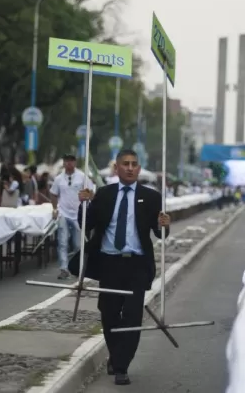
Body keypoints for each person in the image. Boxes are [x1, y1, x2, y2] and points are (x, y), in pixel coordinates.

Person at [73, 149, 170, 386]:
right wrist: (83, 205)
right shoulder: (104, 194)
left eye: (134, 164)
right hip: (109, 263)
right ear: (116, 168)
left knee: (133, 316)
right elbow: (87, 223)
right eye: (125, 164)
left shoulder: (152, 197)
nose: (129, 168)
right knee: (109, 314)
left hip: (137, 264)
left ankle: (121, 366)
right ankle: (116, 354)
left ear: (138, 168)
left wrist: (165, 225)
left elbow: (160, 233)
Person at [50, 154, 94, 279]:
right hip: (63, 213)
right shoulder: (59, 179)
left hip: (77, 214)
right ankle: (63, 269)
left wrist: (86, 200)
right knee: (62, 242)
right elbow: (53, 194)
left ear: (75, 163)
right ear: (64, 163)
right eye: (66, 161)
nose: (69, 163)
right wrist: (54, 208)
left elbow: (91, 192)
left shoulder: (82, 177)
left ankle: (75, 266)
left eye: (71, 161)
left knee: (77, 245)